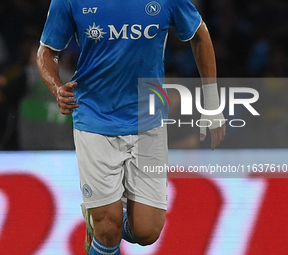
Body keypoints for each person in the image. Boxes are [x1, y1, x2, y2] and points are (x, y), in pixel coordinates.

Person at [37, 0, 226, 254]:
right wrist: (57, 86)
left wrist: (212, 102)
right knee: (109, 229)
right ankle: (102, 223)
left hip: (149, 122)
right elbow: (46, 50)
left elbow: (199, 34)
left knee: (146, 231)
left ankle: (100, 219)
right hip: (94, 118)